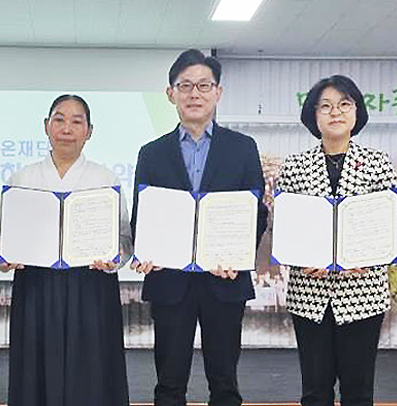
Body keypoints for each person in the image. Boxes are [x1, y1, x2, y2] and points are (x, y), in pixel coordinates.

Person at [131, 49, 268, 406]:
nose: (195, 93)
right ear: (171, 94)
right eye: (185, 85)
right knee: (168, 384)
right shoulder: (151, 153)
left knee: (225, 384)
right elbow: (141, 215)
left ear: (217, 92)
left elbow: (257, 214)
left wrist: (238, 256)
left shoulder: (242, 148)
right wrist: (146, 251)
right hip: (169, 281)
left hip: (225, 280)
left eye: (204, 85)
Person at [277, 74, 397, 406]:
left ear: (356, 111)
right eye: (326, 106)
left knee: (358, 392)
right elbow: (285, 227)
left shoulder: (378, 164)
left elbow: (394, 225)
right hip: (310, 294)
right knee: (315, 391)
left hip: (363, 293)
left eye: (344, 104)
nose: (335, 112)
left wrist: (365, 258)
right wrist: (301, 259)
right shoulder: (295, 166)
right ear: (313, 115)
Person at [0, 94, 132, 406]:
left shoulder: (106, 179)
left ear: (89, 131)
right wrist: (4, 258)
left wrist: (114, 259)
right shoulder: (22, 178)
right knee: (35, 371)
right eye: (59, 119)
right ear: (46, 126)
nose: (67, 129)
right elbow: (2, 239)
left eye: (76, 121)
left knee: (92, 374)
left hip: (92, 287)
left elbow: (125, 238)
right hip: (36, 286)